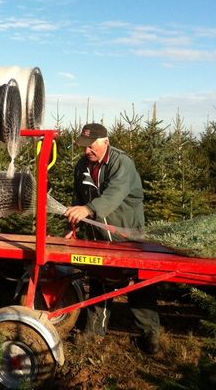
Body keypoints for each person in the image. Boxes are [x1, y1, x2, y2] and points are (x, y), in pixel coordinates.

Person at [64, 123, 160, 354]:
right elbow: (80, 198)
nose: (87, 151)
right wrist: (75, 225)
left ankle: (150, 337)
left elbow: (114, 194)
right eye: (83, 146)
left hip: (127, 234)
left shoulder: (121, 162)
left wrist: (87, 209)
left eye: (91, 146)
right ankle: (94, 334)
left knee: (140, 284)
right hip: (99, 236)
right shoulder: (82, 166)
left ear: (105, 141)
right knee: (100, 280)